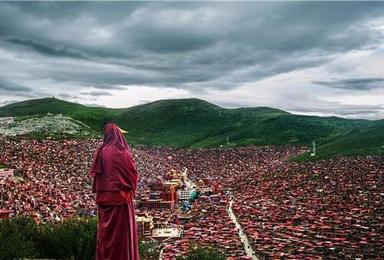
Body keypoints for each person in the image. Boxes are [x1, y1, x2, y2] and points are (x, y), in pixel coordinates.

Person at [89, 122, 140, 260]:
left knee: (105, 236)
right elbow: (132, 174)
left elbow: (97, 175)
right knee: (122, 237)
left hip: (104, 200)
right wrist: (131, 191)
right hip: (121, 199)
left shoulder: (100, 152)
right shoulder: (122, 153)